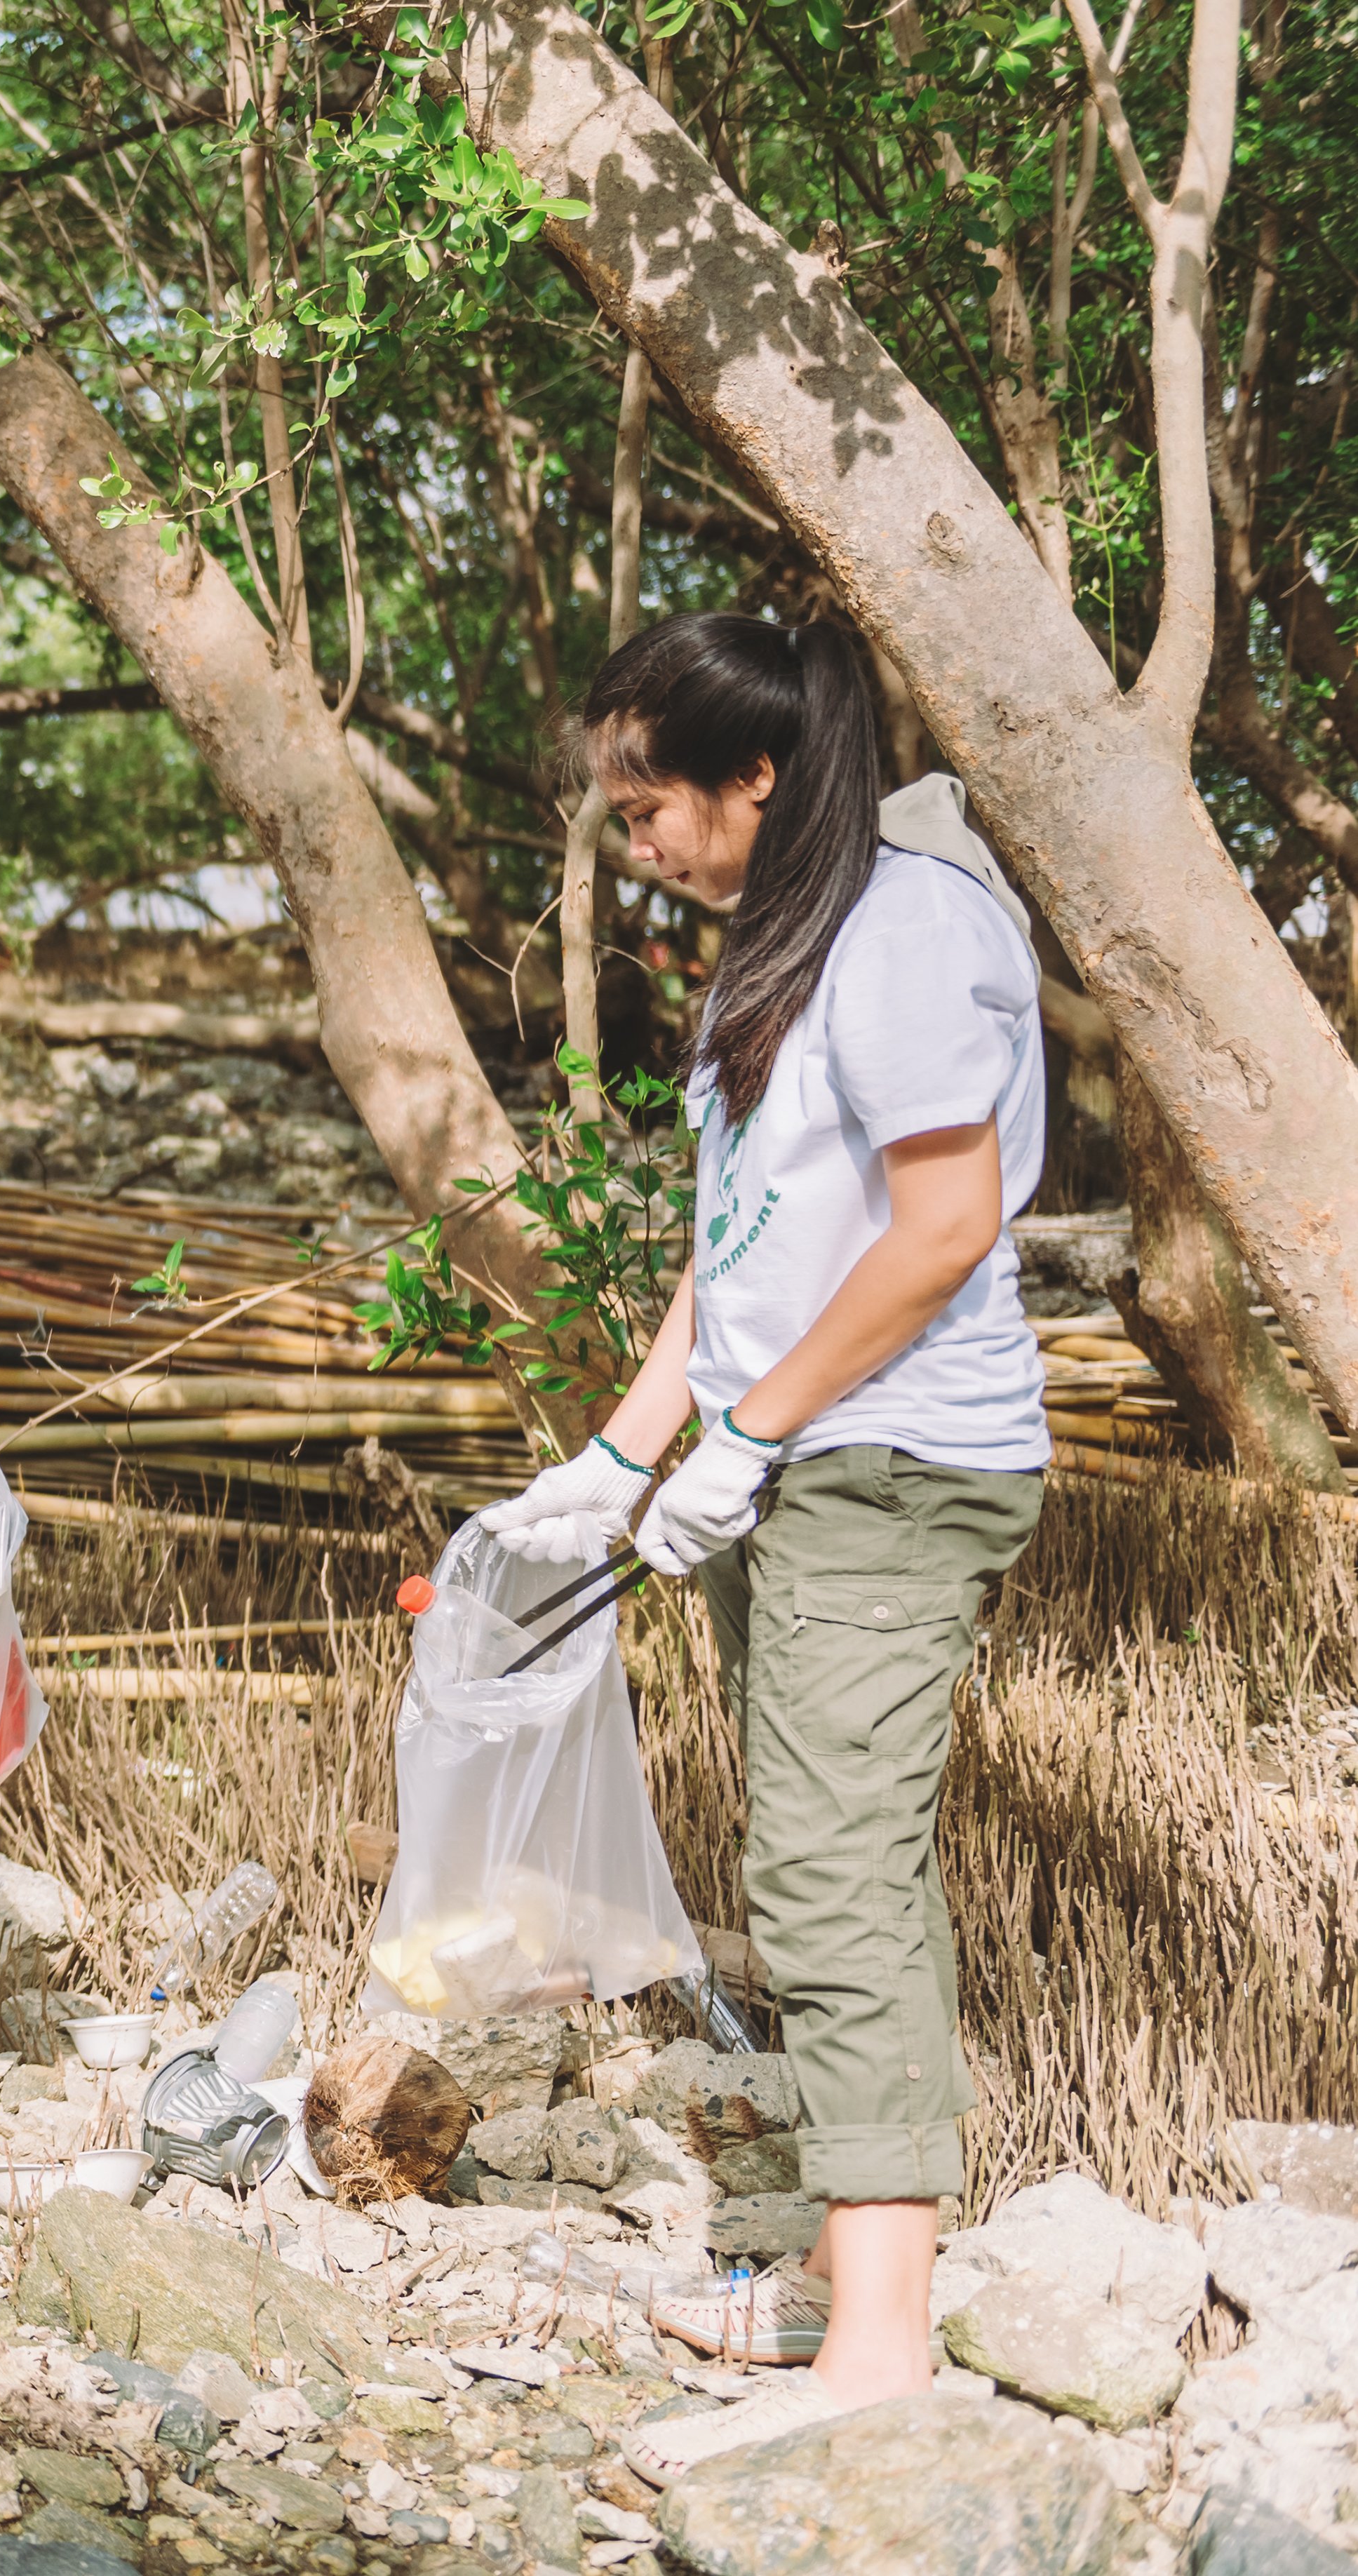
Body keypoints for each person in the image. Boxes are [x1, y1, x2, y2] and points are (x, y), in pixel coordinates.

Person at [477, 615, 1051, 2481]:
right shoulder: (783, 938)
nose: (634, 842)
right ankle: (834, 2275)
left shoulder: (906, 935)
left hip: (889, 1460)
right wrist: (621, 1456)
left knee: (826, 1872)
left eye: (648, 805)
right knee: (820, 1855)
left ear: (759, 775)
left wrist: (749, 1434)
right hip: (792, 1451)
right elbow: (741, 1252)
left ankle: (877, 2350)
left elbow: (941, 1230)